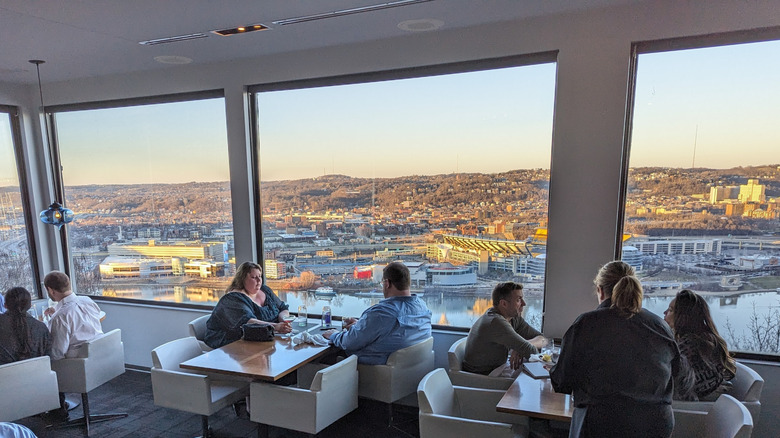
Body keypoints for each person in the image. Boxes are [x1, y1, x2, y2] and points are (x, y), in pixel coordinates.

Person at [550, 261, 690, 438]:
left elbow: (562, 382)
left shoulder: (586, 324)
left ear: (600, 290)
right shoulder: (660, 325)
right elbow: (676, 373)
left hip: (602, 424)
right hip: (656, 425)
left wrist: (556, 368)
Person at [322, 261, 431, 365]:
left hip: (372, 369)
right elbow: (389, 331)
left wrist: (334, 335)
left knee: (323, 358)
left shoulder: (382, 313)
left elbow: (349, 343)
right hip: (408, 369)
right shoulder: (422, 306)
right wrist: (360, 325)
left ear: (387, 283)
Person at [462, 281, 547, 375]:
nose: (524, 303)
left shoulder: (513, 318)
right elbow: (532, 351)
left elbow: (543, 339)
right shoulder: (496, 322)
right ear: (504, 304)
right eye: (519, 300)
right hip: (482, 375)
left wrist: (522, 347)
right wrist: (523, 347)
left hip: (498, 367)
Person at [664, 289, 736, 401]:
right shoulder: (706, 339)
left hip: (700, 405)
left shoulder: (688, 346)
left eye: (670, 310)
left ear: (683, 316)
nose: (665, 313)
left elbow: (677, 386)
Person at [204, 261, 292, 349]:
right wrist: (276, 327)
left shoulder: (265, 290)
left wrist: (284, 321)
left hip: (264, 339)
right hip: (231, 344)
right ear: (242, 280)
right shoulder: (233, 299)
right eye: (254, 277)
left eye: (259, 276)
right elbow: (248, 322)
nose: (259, 280)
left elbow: (282, 308)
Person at [43, 271, 103, 361]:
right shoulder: (88, 301)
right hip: (99, 353)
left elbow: (57, 354)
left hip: (75, 364)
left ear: (51, 290)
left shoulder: (59, 318)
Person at [0, 287, 51, 365]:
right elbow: (49, 358)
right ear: (30, 305)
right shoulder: (42, 328)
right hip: (38, 375)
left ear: (5, 305)